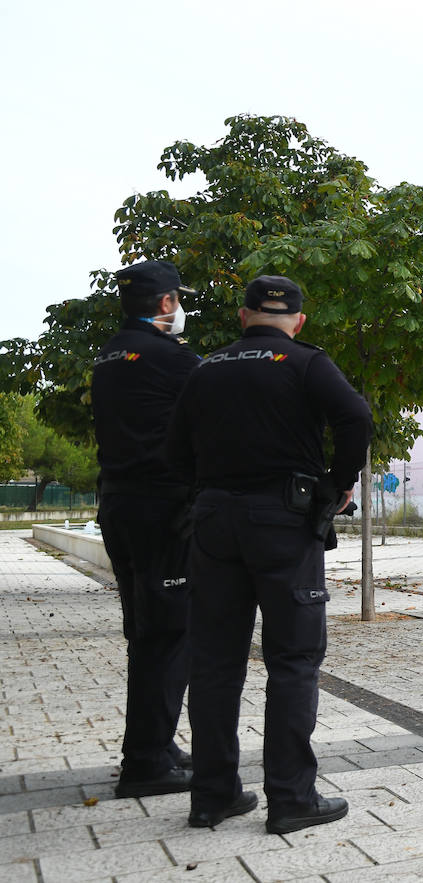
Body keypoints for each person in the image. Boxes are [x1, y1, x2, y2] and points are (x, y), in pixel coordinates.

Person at [167, 275, 372, 833]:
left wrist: (206, 491)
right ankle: (290, 798)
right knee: (293, 659)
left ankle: (212, 796)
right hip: (284, 521)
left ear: (243, 316)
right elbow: (356, 418)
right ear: (298, 321)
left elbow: (174, 447)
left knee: (213, 662)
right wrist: (337, 483)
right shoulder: (305, 362)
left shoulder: (205, 368)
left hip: (213, 524)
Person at [92, 260, 201, 799]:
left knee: (145, 632)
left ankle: (153, 744)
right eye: (177, 299)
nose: (179, 307)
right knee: (169, 633)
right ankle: (147, 762)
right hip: (162, 510)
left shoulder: (108, 355)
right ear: (165, 304)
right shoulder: (173, 360)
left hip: (118, 506)